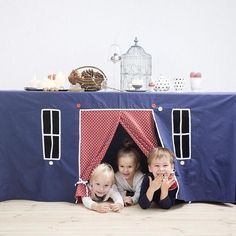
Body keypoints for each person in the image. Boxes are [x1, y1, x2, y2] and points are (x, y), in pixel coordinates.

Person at [115, 141, 144, 206]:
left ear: (136, 166)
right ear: (118, 165)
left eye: (129, 166)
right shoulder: (117, 177)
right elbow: (119, 191)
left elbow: (139, 193)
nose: (125, 170)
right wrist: (123, 198)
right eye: (122, 166)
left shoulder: (140, 178)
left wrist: (132, 200)